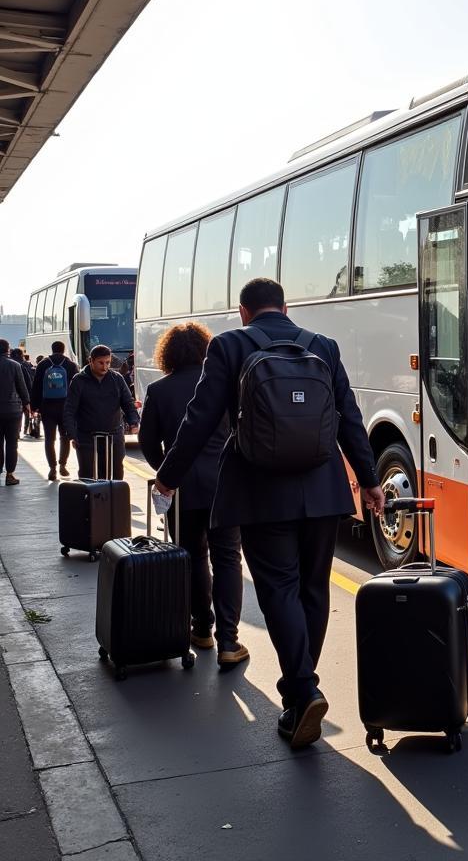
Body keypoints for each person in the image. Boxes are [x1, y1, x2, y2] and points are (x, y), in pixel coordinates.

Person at [154, 278, 385, 749]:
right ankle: (303, 688)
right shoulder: (323, 346)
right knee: (313, 586)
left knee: (279, 586)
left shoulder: (229, 346)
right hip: (323, 490)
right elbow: (349, 418)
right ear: (286, 307)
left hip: (260, 492)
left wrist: (168, 476)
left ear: (244, 311)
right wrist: (371, 480)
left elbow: (199, 419)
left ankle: (302, 690)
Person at [139, 323, 246, 668]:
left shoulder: (158, 390)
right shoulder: (227, 384)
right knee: (228, 558)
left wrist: (169, 472)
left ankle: (201, 628)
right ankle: (229, 641)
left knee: (193, 556)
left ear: (167, 353)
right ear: (205, 349)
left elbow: (146, 442)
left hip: (181, 489)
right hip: (226, 484)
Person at [63, 345, 140, 480]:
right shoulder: (79, 380)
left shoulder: (117, 379)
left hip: (114, 436)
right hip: (86, 438)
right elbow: (69, 410)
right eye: (100, 363)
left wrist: (134, 421)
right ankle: (89, 500)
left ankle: (114, 500)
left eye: (108, 363)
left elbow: (128, 403)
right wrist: (72, 434)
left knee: (115, 474)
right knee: (88, 474)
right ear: (90, 361)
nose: (105, 367)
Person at [30, 341, 79, 482]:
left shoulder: (43, 364)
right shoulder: (70, 365)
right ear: (63, 350)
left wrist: (35, 406)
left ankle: (52, 468)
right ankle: (62, 464)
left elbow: (36, 386)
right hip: (66, 407)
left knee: (49, 439)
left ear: (52, 350)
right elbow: (76, 388)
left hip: (47, 407)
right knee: (65, 437)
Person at [0, 340, 31, 485]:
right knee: (12, 444)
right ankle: (10, 475)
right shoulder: (15, 365)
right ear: (8, 350)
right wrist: (27, 404)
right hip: (12, 411)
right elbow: (22, 387)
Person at [10, 349, 34, 436]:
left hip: (11, 395)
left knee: (18, 414)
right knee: (25, 413)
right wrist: (29, 399)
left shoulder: (9, 364)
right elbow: (28, 381)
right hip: (23, 394)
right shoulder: (25, 365)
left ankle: (18, 430)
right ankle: (25, 429)